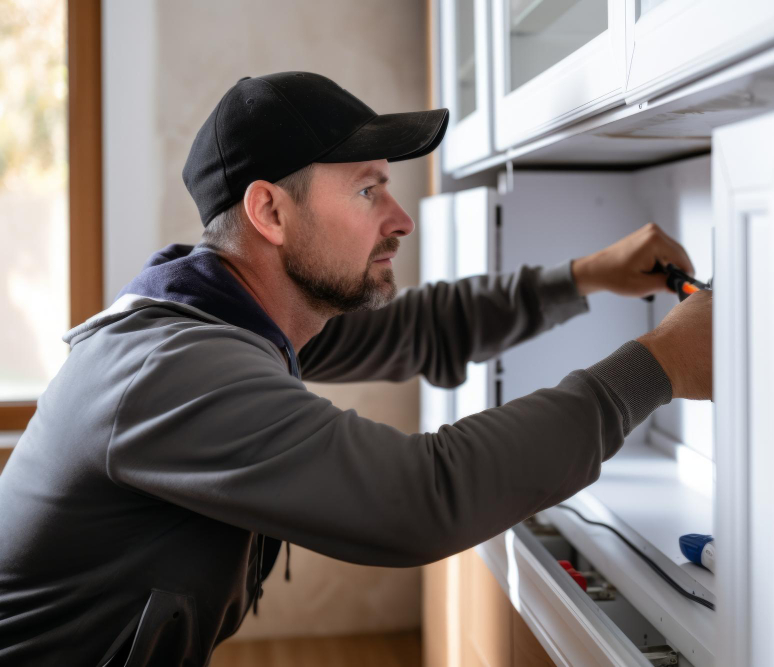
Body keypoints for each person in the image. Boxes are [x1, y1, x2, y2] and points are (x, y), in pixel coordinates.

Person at [0, 71, 712, 666]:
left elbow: (418, 326)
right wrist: (661, 364)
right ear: (270, 211)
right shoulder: (169, 372)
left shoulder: (235, 318)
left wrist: (589, 274)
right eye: (368, 189)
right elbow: (422, 495)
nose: (400, 218)